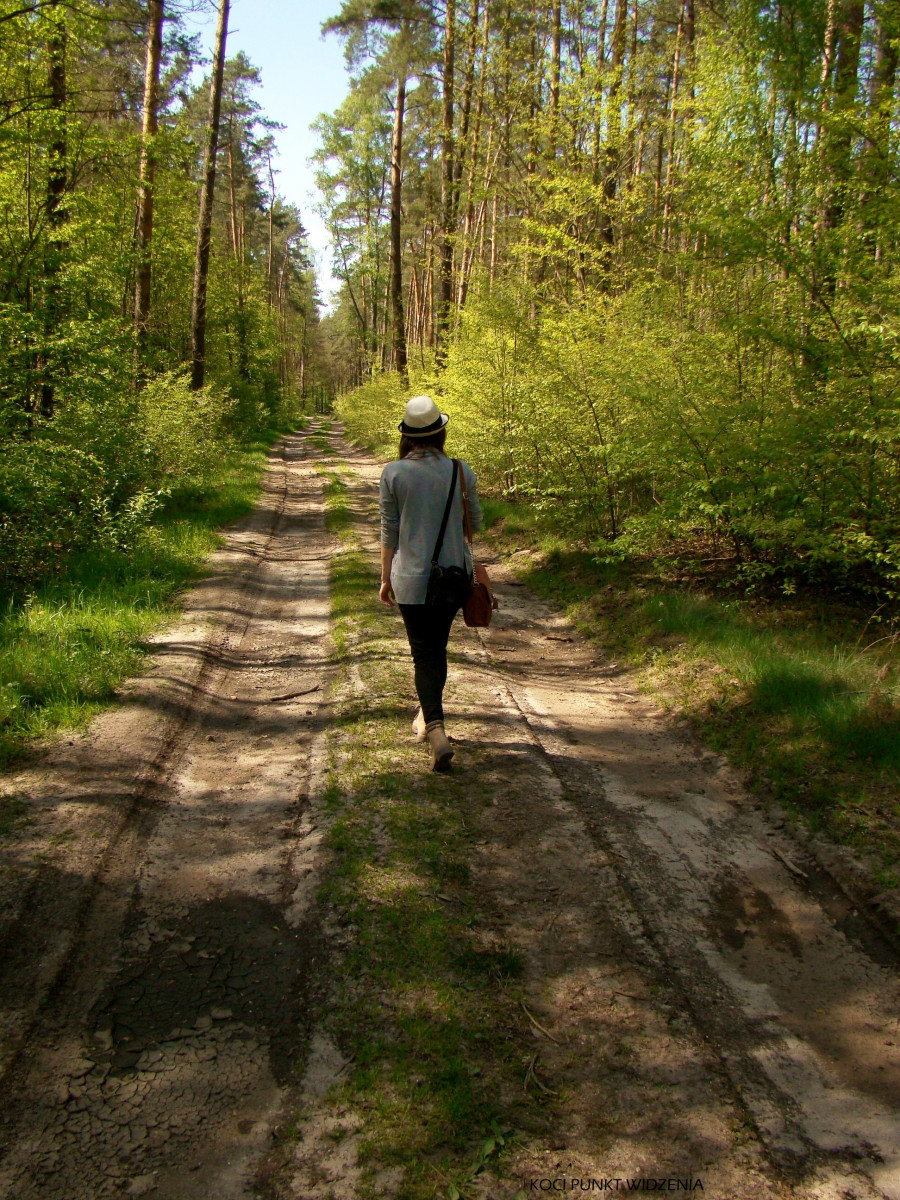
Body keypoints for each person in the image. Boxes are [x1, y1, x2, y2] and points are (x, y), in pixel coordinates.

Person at [378, 394, 482, 772]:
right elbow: (477, 525)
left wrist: (385, 576)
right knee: (437, 648)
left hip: (409, 578)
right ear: (440, 432)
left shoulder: (393, 473)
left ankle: (436, 730)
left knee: (424, 652)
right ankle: (428, 716)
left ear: (408, 435)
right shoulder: (460, 470)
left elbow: (389, 531)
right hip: (453, 578)